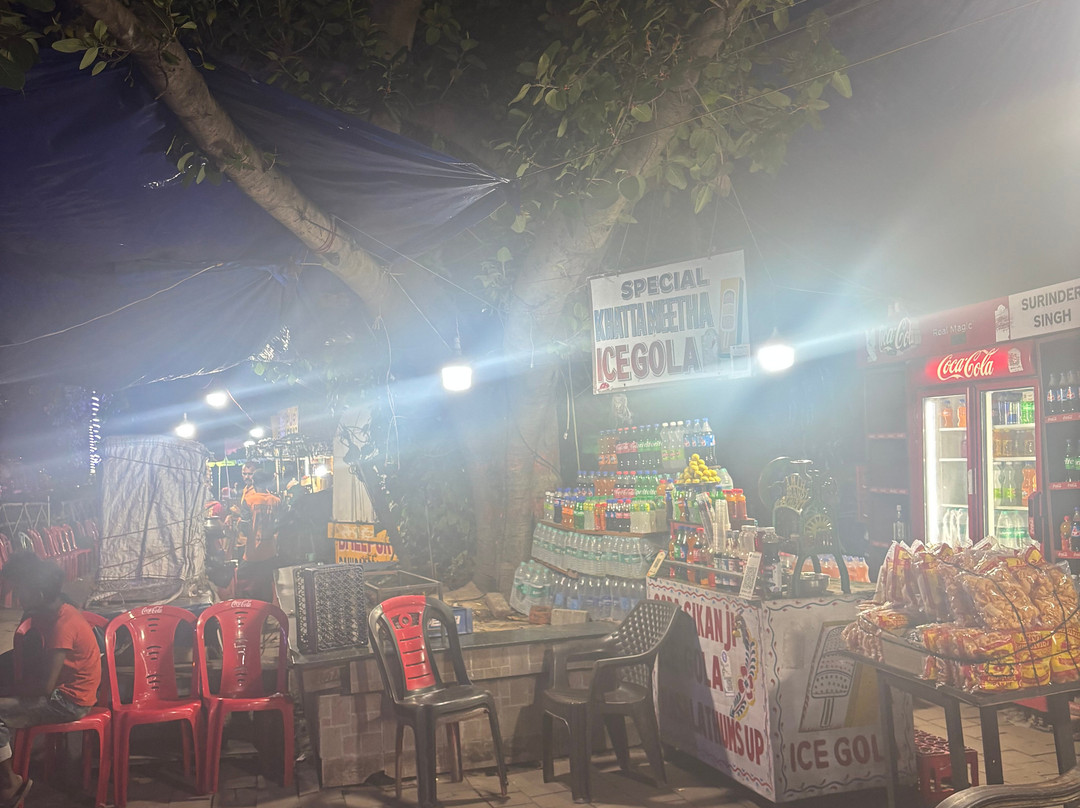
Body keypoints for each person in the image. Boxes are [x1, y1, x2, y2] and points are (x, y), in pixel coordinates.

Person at [0, 553, 102, 805]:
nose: (18, 597)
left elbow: (45, 687)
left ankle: (10, 783)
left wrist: (12, 691)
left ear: (39, 595)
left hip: (69, 702)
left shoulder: (62, 625)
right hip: (62, 692)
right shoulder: (54, 610)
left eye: (21, 592)